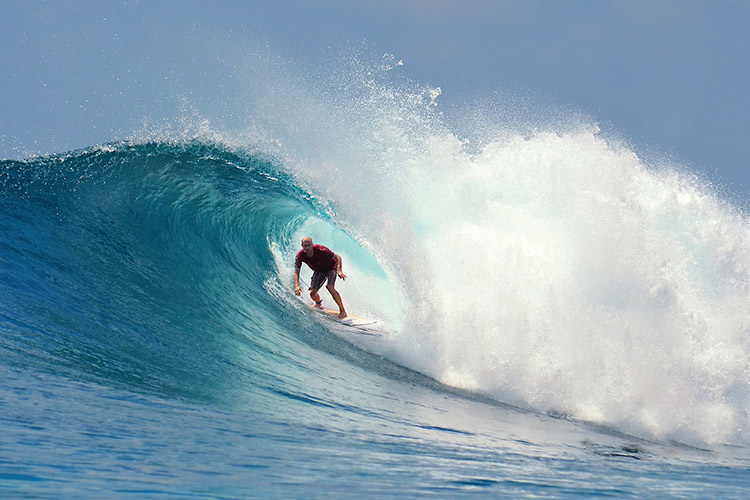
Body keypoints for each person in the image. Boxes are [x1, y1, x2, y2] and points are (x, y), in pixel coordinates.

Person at [293, 236, 348, 318]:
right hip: (319, 271)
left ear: (312, 244)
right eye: (305, 246)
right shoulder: (300, 256)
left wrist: (339, 270)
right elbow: (296, 272)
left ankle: (342, 311)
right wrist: (296, 286)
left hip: (331, 267)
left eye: (309, 245)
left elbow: (338, 257)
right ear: (302, 246)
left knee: (330, 287)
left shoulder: (321, 249)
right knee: (312, 294)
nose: (308, 248)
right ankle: (318, 303)